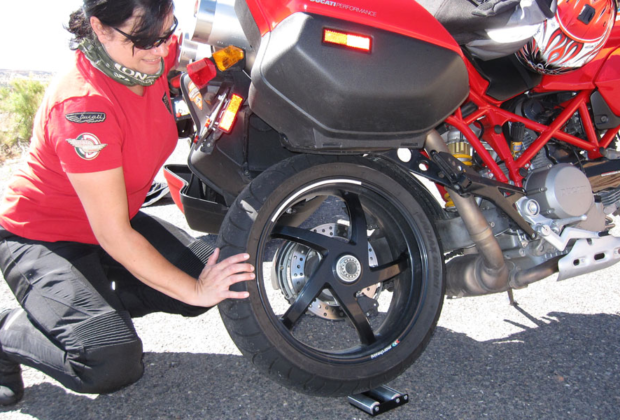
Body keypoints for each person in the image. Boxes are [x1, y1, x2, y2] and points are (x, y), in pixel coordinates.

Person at [0, 0, 255, 406]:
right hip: (44, 237)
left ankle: (90, 314)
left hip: (114, 218)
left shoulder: (150, 52)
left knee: (219, 270)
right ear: (100, 29)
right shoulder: (84, 108)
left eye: (167, 33)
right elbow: (114, 234)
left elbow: (223, 44)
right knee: (111, 362)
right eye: (146, 40)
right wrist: (194, 290)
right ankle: (10, 332)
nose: (160, 50)